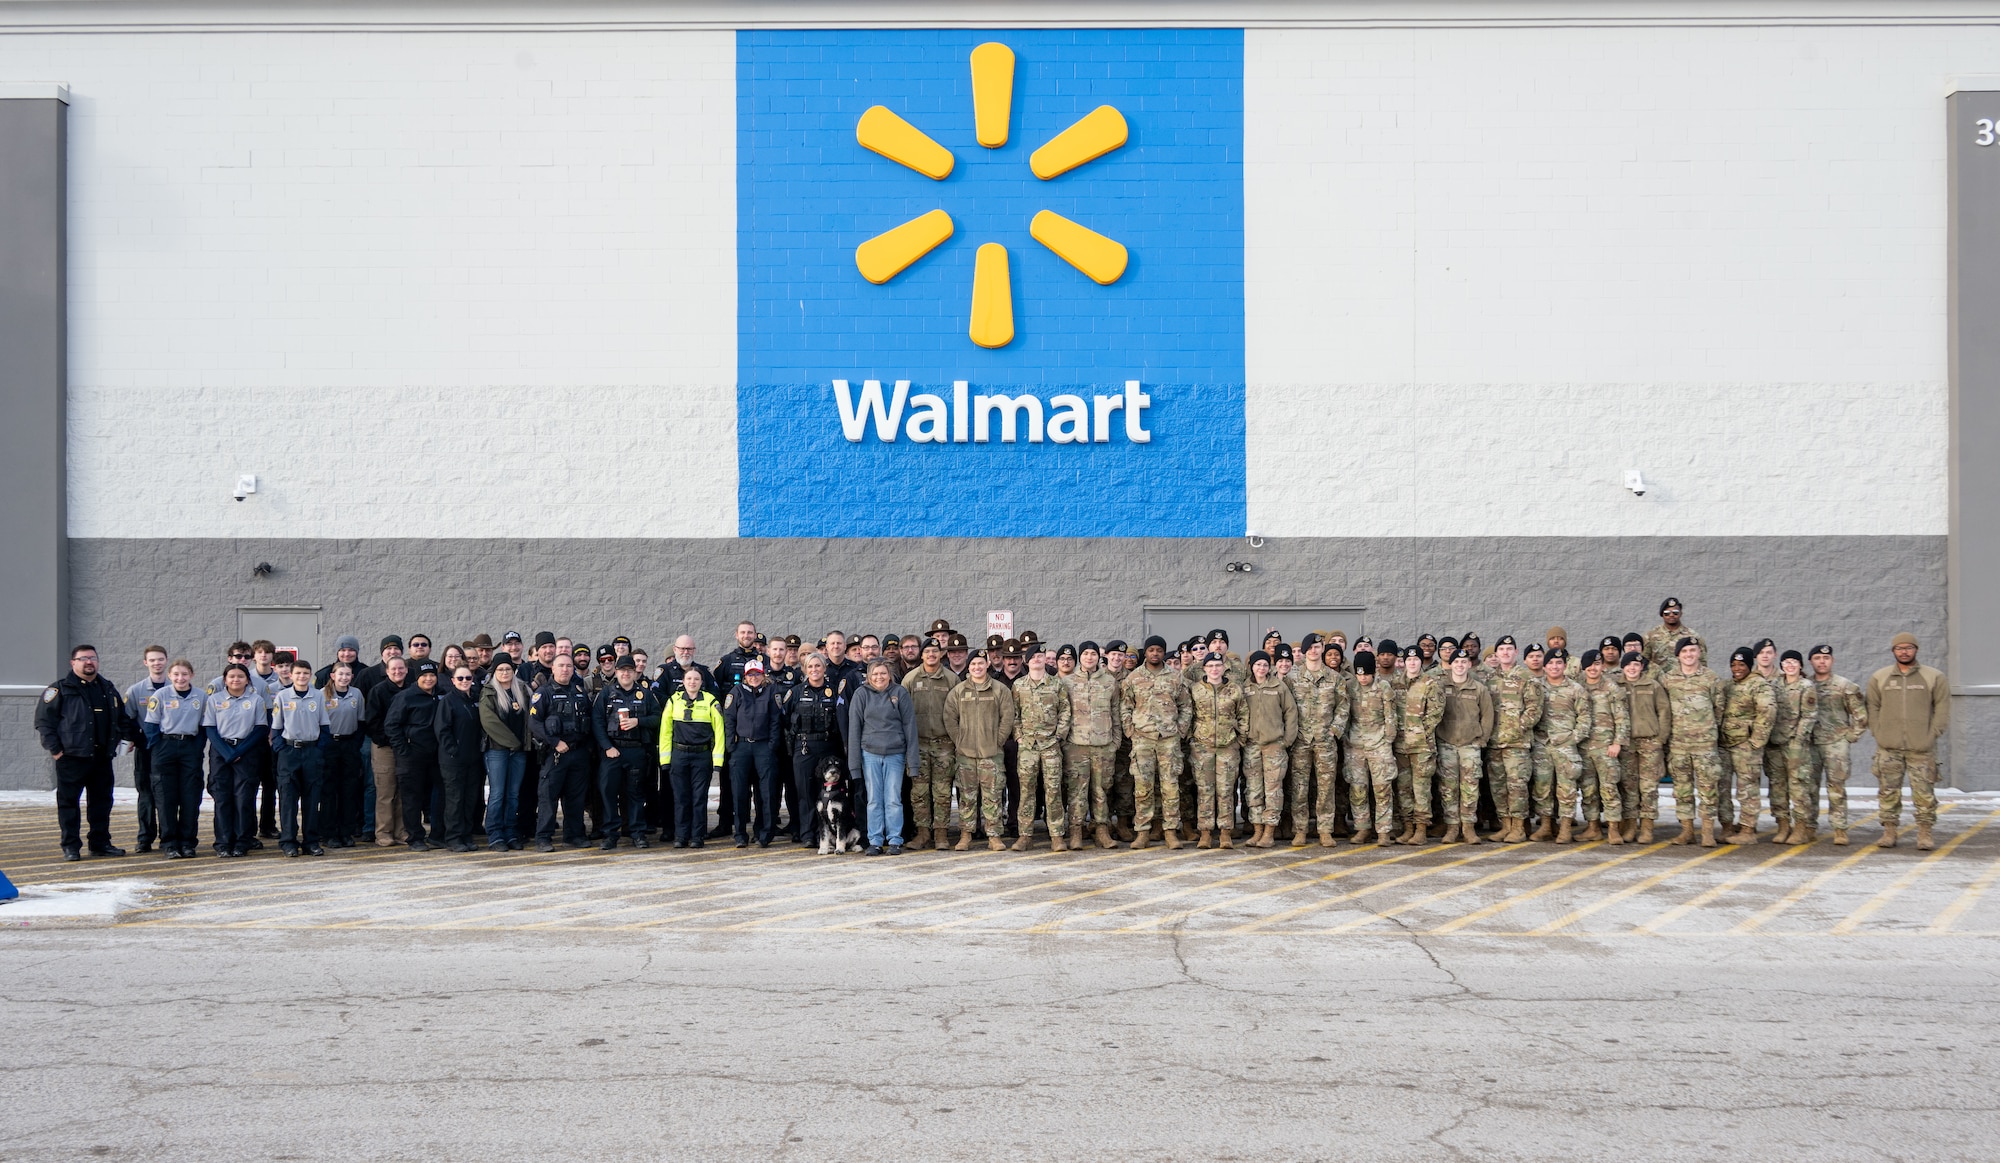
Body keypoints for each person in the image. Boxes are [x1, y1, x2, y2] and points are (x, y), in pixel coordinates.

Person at [36, 645, 140, 860]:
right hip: (71, 758)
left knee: (102, 803)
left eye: (92, 658)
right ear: (73, 662)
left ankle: (100, 843)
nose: (89, 662)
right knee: (68, 804)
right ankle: (71, 846)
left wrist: (128, 737)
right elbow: (44, 723)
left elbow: (122, 718)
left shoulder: (108, 689)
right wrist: (56, 750)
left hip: (102, 758)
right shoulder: (59, 690)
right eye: (83, 658)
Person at [1867, 633, 1949, 850]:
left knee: (1924, 794)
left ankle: (1924, 833)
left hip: (1921, 748)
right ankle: (1889, 831)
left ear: (1916, 650)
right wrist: (1878, 732)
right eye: (1899, 648)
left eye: (1909, 648)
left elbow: (1942, 708)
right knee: (1888, 792)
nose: (1904, 652)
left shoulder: (1934, 677)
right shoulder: (1880, 677)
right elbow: (1872, 707)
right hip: (1888, 748)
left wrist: (1933, 734)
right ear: (1893, 651)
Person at [1119, 636, 1193, 851]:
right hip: (1142, 739)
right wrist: (1130, 731)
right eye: (1151, 650)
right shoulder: (1133, 678)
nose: (1155, 654)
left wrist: (1179, 730)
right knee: (1143, 788)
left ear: (1163, 653)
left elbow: (1186, 706)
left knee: (1170, 787)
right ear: (1146, 653)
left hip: (1168, 740)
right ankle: (1142, 831)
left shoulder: (1175, 677)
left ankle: (1170, 832)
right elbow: (1125, 707)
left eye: (1159, 650)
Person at [943, 652, 1014, 852]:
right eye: (973, 663)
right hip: (966, 754)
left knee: (993, 796)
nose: (977, 667)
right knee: (967, 797)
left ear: (988, 664)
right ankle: (966, 835)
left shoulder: (999, 690)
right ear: (968, 665)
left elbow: (1007, 718)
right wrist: (960, 741)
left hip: (991, 753)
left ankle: (994, 835)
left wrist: (997, 741)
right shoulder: (958, 691)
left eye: (980, 663)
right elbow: (950, 718)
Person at [847, 659, 917, 856]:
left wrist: (913, 762)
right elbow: (854, 729)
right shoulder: (861, 694)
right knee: (874, 800)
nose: (879, 677)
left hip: (895, 753)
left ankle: (895, 839)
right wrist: (854, 765)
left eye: (883, 673)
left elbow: (910, 727)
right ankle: (875, 840)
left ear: (890, 675)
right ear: (869, 676)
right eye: (875, 674)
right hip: (870, 753)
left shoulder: (899, 693)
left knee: (893, 799)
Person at [1663, 638, 1727, 847]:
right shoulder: (1668, 679)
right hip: (1679, 744)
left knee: (1708, 789)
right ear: (1678, 655)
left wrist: (1706, 730)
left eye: (1693, 650)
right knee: (1682, 790)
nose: (1689, 654)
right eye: (1685, 651)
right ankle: (1687, 830)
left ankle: (1707, 831)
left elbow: (1719, 709)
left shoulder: (1711, 678)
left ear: (1699, 653)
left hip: (1705, 745)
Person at [527, 652, 594, 851]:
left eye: (568, 666)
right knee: (548, 796)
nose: (565, 669)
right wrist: (555, 742)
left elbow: (590, 721)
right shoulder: (544, 693)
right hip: (554, 753)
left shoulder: (580, 691)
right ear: (553, 669)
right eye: (561, 666)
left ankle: (574, 835)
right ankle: (543, 838)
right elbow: (534, 722)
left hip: (578, 753)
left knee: (576, 797)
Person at [202, 662, 269, 858]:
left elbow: (261, 729)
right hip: (221, 753)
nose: (236, 680)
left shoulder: (256, 700)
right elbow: (210, 728)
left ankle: (242, 841)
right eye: (231, 676)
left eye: (240, 676)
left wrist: (240, 750)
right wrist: (227, 752)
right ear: (225, 680)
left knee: (243, 798)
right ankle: (223, 842)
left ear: (247, 679)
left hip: (246, 752)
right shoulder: (214, 700)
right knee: (222, 798)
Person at [142, 659, 206, 858]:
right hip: (165, 747)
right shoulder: (160, 695)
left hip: (190, 746)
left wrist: (196, 747)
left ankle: (188, 842)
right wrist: (157, 747)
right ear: (170, 676)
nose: (180, 678)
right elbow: (151, 725)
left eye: (185, 674)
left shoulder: (201, 696)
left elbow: (205, 725)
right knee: (165, 797)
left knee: (190, 796)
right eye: (176, 674)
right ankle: (169, 843)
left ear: (191, 675)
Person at [593, 657, 659, 850]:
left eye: (630, 670)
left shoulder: (645, 694)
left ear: (634, 671)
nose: (626, 673)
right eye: (622, 670)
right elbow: (597, 722)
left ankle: (637, 833)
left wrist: (639, 722)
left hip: (636, 750)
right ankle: (610, 835)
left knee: (636, 794)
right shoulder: (606, 693)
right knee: (608, 793)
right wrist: (607, 747)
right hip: (612, 751)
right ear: (616, 671)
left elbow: (657, 718)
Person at [1483, 636, 1543, 843]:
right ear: (1496, 653)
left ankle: (1518, 827)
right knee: (1498, 787)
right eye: (1502, 649)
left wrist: (1518, 728)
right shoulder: (1490, 679)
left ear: (1516, 652)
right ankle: (1505, 825)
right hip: (1494, 742)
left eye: (1509, 649)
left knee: (1517, 786)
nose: (1506, 653)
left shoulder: (1527, 677)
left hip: (1517, 743)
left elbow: (1534, 709)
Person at [1062, 641, 1122, 850]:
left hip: (1103, 745)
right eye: (1086, 653)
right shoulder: (1068, 682)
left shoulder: (1109, 682)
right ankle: (1076, 830)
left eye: (1093, 654)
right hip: (1076, 745)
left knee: (1101, 790)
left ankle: (1101, 830)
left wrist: (1115, 741)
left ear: (1099, 657)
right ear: (1080, 657)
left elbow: (1116, 712)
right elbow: (1063, 712)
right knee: (1076, 790)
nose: (1089, 657)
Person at [901, 638, 959, 850]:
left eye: (935, 651)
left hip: (944, 745)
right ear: (922, 655)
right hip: (919, 745)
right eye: (928, 651)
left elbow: (958, 712)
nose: (932, 655)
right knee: (919, 792)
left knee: (942, 792)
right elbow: (901, 712)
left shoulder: (952, 679)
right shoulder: (910, 678)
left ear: (941, 654)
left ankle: (941, 834)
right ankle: (923, 833)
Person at [1285, 633, 1343, 847]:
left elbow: (1343, 706)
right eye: (1310, 647)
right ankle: (1300, 829)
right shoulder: (1293, 677)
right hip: (1301, 740)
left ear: (1322, 649)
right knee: (1300, 787)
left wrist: (1335, 730)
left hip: (1325, 741)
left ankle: (1325, 830)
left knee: (1326, 787)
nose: (1313, 650)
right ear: (1305, 651)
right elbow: (1287, 708)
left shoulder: (1334, 677)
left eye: (1317, 647)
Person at [1011, 649, 1072, 851]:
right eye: (1033, 657)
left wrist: (1058, 735)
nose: (1037, 659)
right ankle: (1025, 835)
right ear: (1026, 662)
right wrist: (1018, 736)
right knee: (1026, 791)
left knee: (1053, 790)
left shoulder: (1056, 684)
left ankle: (1057, 835)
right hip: (1028, 746)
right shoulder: (1019, 685)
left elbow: (1065, 711)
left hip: (1050, 745)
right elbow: (1014, 714)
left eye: (1040, 656)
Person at [781, 652, 844, 847]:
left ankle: (824, 834)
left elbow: (842, 720)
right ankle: (807, 834)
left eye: (818, 666)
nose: (814, 670)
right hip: (804, 748)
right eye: (810, 667)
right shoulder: (796, 692)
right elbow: (784, 718)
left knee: (825, 793)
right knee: (805, 792)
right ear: (805, 670)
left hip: (828, 747)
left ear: (825, 669)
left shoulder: (834, 692)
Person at [269, 661, 331, 857]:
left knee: (312, 799)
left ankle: (311, 841)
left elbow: (325, 726)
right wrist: (281, 750)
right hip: (289, 752)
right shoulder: (283, 696)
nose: (302, 676)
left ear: (310, 675)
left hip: (311, 752)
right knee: (288, 799)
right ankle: (288, 841)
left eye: (306, 673)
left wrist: (318, 750)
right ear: (291, 675)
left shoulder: (318, 696)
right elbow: (276, 729)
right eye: (298, 673)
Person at [1807, 645, 1868, 845]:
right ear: (1811, 662)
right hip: (1811, 744)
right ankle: (1809, 826)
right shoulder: (1805, 684)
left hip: (1835, 744)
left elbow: (1861, 714)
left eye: (1825, 658)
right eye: (1817, 658)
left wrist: (1850, 736)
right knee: (1809, 787)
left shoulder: (1845, 686)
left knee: (1837, 787)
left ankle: (1839, 828)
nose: (1821, 661)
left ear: (1832, 661)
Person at [1187, 651, 1247, 850]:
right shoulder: (1195, 690)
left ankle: (1225, 832)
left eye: (1217, 665)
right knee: (1204, 791)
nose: (1214, 669)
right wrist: (1192, 739)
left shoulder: (1235, 690)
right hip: (1202, 747)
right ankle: (1205, 832)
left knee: (1226, 791)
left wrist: (1240, 740)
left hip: (1228, 748)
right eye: (1210, 665)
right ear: (1204, 668)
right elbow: (1189, 715)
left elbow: (1244, 716)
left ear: (1223, 667)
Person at [724, 659, 786, 847]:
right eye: (750, 674)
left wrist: (772, 745)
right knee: (740, 792)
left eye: (757, 674)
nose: (754, 678)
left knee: (766, 793)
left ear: (763, 675)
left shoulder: (771, 692)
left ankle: (764, 834)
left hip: (763, 747)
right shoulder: (736, 693)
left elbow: (776, 721)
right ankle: (740, 834)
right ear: (745, 676)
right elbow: (729, 720)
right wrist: (731, 747)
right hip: (741, 747)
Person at [660, 668, 725, 848]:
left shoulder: (711, 701)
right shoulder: (674, 701)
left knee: (699, 797)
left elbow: (719, 733)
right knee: (681, 797)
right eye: (689, 678)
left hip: (701, 756)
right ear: (683, 681)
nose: (692, 682)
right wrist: (665, 760)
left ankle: (697, 836)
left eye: (696, 679)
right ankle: (681, 836)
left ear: (701, 682)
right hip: (679, 755)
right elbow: (665, 731)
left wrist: (717, 761)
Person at [1436, 652, 1493, 844]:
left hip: (1470, 745)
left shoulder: (1478, 688)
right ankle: (1452, 828)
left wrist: (1481, 740)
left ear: (1469, 664)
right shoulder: (1441, 687)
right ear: (1450, 665)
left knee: (1470, 787)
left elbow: (1487, 716)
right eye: (1456, 662)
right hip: (1447, 743)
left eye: (1463, 661)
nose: (1460, 665)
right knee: (1448, 788)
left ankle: (1468, 827)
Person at [387, 660, 445, 851]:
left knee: (439, 796)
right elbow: (392, 725)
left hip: (436, 755)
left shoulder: (441, 695)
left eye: (432, 675)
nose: (429, 679)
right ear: (417, 677)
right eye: (424, 676)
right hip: (412, 755)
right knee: (412, 798)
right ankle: (415, 837)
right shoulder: (406, 697)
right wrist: (404, 750)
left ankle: (437, 834)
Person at [1535, 651, 1592, 843]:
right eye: (1550, 663)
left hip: (1566, 746)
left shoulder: (1576, 689)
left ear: (1565, 665)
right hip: (1542, 744)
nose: (1554, 666)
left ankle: (1565, 828)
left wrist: (1573, 738)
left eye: (1558, 663)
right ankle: (1545, 825)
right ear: (1544, 666)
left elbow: (1585, 718)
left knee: (1566, 788)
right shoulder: (1536, 687)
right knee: (1543, 786)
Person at [1719, 646, 1775, 845]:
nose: (1737, 668)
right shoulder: (1727, 685)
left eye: (1741, 664)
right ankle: (1727, 826)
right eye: (1733, 665)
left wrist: (1756, 741)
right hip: (1725, 744)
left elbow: (1767, 712)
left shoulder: (1759, 685)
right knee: (1722, 788)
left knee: (1747, 788)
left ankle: (1747, 829)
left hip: (1746, 746)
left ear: (1750, 665)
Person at [1344, 650, 1400, 847]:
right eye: (1359, 674)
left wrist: (1388, 740)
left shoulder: (1384, 687)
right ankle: (1363, 828)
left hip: (1379, 744)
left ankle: (1384, 830)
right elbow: (1345, 715)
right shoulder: (1350, 687)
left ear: (1373, 672)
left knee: (1382, 789)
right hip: (1355, 745)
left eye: (1366, 674)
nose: (1362, 678)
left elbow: (1391, 716)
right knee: (1357, 789)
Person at [478, 655, 532, 852]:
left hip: (519, 752)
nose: (504, 673)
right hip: (497, 751)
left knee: (513, 794)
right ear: (494, 671)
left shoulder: (523, 690)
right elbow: (489, 722)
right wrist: (513, 743)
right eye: (500, 669)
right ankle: (495, 834)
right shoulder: (489, 692)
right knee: (498, 794)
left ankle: (510, 832)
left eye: (508, 669)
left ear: (513, 670)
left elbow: (529, 719)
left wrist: (524, 744)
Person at [1767, 650, 1820, 845]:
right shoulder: (1774, 685)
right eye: (1786, 662)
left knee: (1798, 787)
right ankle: (1783, 825)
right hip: (1774, 744)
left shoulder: (1806, 686)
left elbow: (1809, 716)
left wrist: (1798, 739)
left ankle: (1800, 827)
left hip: (1795, 745)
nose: (1790, 665)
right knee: (1777, 786)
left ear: (1800, 665)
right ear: (1781, 665)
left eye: (1794, 662)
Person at [1578, 650, 1630, 845]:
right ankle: (1593, 827)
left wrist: (1617, 742)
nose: (1593, 668)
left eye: (1597, 664)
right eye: (1590, 664)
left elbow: (1622, 718)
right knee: (1588, 790)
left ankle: (1614, 828)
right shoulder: (1578, 687)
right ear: (1584, 667)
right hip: (1584, 747)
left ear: (1602, 666)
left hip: (1606, 747)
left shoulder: (1611, 688)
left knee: (1609, 788)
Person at [1394, 647, 1443, 846]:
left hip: (1422, 746)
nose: (1412, 662)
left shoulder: (1430, 684)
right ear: (1404, 662)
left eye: (1416, 659)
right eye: (1409, 659)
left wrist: (1419, 731)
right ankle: (1408, 827)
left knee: (1421, 788)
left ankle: (1421, 828)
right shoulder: (1395, 684)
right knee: (1404, 788)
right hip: (1400, 745)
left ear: (1421, 662)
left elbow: (1436, 713)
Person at [124, 645, 171, 852]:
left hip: (170, 748)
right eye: (152, 660)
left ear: (166, 661)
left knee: (168, 793)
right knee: (146, 793)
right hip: (146, 749)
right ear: (146, 663)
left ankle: (168, 836)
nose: (156, 663)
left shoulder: (176, 686)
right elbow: (128, 719)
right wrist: (138, 739)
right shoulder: (136, 691)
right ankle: (145, 838)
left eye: (160, 659)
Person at [1622, 652, 1670, 842]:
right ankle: (1631, 826)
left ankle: (1647, 828)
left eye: (1636, 665)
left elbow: (1664, 712)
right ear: (1623, 666)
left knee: (1648, 787)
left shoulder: (1653, 685)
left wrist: (1661, 739)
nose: (1632, 668)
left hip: (1650, 742)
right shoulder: (1616, 686)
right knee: (1629, 786)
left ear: (1642, 667)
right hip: (1627, 743)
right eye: (1629, 665)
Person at [364, 656, 410, 846]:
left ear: (406, 670)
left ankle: (401, 832)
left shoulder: (411, 690)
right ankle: (383, 832)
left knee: (402, 791)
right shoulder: (378, 691)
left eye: (401, 668)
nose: (397, 672)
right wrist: (390, 740)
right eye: (393, 669)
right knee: (385, 791)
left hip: (406, 748)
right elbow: (372, 722)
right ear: (387, 670)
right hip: (385, 748)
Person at [321, 662, 367, 848]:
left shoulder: (356, 694)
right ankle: (329, 833)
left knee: (349, 791)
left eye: (348, 674)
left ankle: (346, 832)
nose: (344, 678)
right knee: (329, 792)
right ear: (333, 676)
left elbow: (361, 722)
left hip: (349, 745)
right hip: (329, 745)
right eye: (340, 674)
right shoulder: (322, 694)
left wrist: (354, 745)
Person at [1643, 598, 1706, 672]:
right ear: (1662, 614)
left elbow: (1702, 661)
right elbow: (1644, 661)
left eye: (1675, 612)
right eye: (1667, 613)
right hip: (1658, 681)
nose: (1671, 615)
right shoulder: (1650, 636)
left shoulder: (1693, 636)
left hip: (1683, 681)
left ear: (1681, 613)